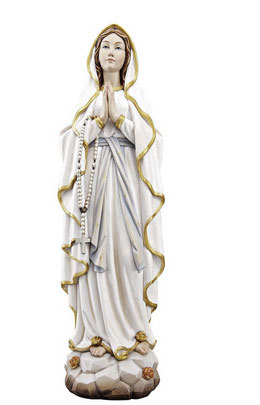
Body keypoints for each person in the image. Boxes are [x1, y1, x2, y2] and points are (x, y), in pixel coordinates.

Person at [58, 24, 165, 361]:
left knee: (127, 250)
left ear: (127, 56)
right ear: (96, 54)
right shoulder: (87, 98)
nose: (111, 52)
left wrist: (119, 120)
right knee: (97, 252)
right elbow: (70, 143)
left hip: (126, 186)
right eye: (106, 46)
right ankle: (97, 331)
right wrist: (95, 122)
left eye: (118, 47)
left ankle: (134, 328)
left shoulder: (135, 98)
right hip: (95, 186)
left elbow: (153, 144)